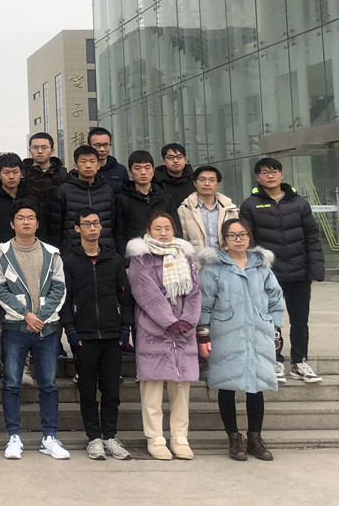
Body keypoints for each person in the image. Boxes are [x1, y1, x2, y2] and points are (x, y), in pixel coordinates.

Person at [197, 218, 285, 461]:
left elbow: (276, 299)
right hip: (225, 333)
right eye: (233, 235)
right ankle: (234, 438)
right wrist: (203, 333)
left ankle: (255, 438)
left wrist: (275, 328)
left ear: (250, 237)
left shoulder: (262, 267)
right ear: (224, 239)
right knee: (226, 386)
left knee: (256, 386)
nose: (238, 239)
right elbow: (204, 304)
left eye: (243, 234)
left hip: (258, 333)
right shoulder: (213, 269)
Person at [0, 199, 70, 460]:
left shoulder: (52, 253)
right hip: (15, 327)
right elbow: (0, 289)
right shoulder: (1, 253)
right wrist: (26, 315)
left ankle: (49, 437)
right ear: (12, 223)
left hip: (46, 329)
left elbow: (59, 287)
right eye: (21, 218)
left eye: (30, 218)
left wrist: (41, 317)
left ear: (37, 223)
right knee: (11, 383)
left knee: (48, 384)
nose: (26, 222)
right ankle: (13, 436)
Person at [240, 157, 324, 384]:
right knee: (269, 320)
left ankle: (299, 362)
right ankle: (275, 361)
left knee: (300, 320)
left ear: (282, 174)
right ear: (257, 177)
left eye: (274, 171)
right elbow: (247, 241)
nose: (270, 175)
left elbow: (312, 237)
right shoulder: (250, 204)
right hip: (268, 273)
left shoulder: (299, 203)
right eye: (265, 172)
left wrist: (315, 269)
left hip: (299, 271)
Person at [126, 212, 200, 460]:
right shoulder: (141, 258)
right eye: (157, 228)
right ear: (148, 231)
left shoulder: (185, 256)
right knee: (152, 388)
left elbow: (195, 292)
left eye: (167, 228)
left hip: (184, 331)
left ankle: (180, 437)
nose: (163, 232)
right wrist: (169, 321)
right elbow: (145, 292)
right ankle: (155, 438)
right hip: (153, 329)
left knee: (181, 388)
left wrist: (188, 320)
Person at [61, 209, 134, 461]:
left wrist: (125, 327)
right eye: (86, 224)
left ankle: (110, 436)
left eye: (95, 223)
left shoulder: (113, 259)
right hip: (84, 334)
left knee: (112, 391)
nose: (92, 228)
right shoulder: (70, 261)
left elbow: (124, 296)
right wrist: (70, 328)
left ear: (101, 227)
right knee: (87, 390)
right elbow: (65, 297)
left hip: (112, 334)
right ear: (77, 228)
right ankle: (93, 437)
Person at [50, 145, 115, 251]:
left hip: (104, 250)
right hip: (73, 251)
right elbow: (55, 229)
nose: (88, 165)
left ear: (98, 165)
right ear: (76, 166)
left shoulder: (107, 190)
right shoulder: (64, 191)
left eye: (92, 161)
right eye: (83, 161)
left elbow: (112, 223)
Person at [113, 150, 174, 256]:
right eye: (137, 168)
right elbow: (119, 234)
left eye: (147, 167)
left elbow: (175, 228)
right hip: (136, 256)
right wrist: (125, 260)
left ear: (153, 170)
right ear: (130, 172)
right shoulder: (123, 199)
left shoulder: (165, 198)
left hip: (165, 254)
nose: (143, 172)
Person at [177, 165, 239, 251]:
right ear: (195, 183)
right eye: (202, 180)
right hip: (197, 258)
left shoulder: (229, 209)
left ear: (217, 184)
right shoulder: (185, 209)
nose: (207, 183)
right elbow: (183, 240)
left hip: (226, 257)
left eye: (212, 180)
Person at [22, 132, 68, 244]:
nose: (39, 151)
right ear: (29, 150)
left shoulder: (63, 175)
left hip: (57, 233)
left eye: (44, 147)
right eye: (35, 147)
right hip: (27, 231)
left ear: (52, 150)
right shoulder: (22, 174)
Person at [86, 127, 128, 195]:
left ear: (110, 146)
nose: (102, 149)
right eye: (97, 145)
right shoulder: (79, 172)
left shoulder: (121, 170)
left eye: (106, 145)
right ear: (89, 146)